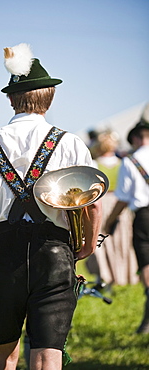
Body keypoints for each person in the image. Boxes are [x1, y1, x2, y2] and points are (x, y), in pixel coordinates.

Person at [0, 43, 102, 369]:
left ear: (10, 98)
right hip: (56, 252)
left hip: (4, 254)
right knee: (48, 354)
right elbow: (92, 206)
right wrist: (87, 244)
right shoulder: (71, 142)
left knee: (4, 353)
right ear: (50, 97)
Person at [105, 103, 149, 334]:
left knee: (147, 264)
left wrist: (109, 221)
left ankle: (148, 317)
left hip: (144, 216)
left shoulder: (131, 161)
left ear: (134, 139)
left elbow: (122, 197)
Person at [86, 131, 139, 287]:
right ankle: (123, 275)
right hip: (119, 203)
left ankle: (105, 276)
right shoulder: (122, 162)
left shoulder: (95, 164)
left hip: (102, 201)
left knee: (102, 239)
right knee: (122, 239)